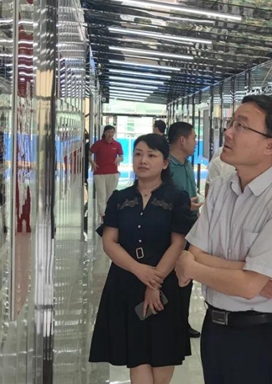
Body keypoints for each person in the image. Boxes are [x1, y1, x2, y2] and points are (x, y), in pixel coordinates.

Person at [175, 95, 272, 384]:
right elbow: (195, 252)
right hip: (215, 328)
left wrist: (195, 268)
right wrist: (248, 270)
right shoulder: (222, 187)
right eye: (231, 123)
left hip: (261, 336)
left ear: (270, 145)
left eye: (241, 126)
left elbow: (246, 286)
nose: (228, 132)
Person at [89, 134, 194, 384]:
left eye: (151, 155)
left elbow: (178, 243)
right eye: (138, 154)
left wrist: (154, 282)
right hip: (127, 281)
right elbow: (109, 242)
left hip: (164, 283)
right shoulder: (119, 198)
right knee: (137, 354)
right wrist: (139, 270)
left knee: (162, 352)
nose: (143, 160)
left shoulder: (176, 198)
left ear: (165, 163)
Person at [168, 122, 203, 338]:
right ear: (182, 140)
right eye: (193, 138)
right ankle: (170, 323)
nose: (195, 142)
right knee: (171, 278)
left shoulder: (187, 164)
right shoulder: (166, 167)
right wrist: (183, 206)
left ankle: (182, 322)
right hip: (172, 231)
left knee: (186, 277)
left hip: (191, 228)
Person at [90, 125, 123, 220]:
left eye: (112, 132)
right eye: (108, 132)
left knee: (110, 196)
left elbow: (122, 156)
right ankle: (102, 215)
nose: (110, 134)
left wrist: (119, 159)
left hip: (113, 173)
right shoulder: (98, 144)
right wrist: (92, 162)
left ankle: (109, 215)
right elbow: (89, 154)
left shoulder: (117, 144)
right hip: (99, 173)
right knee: (101, 195)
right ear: (104, 133)